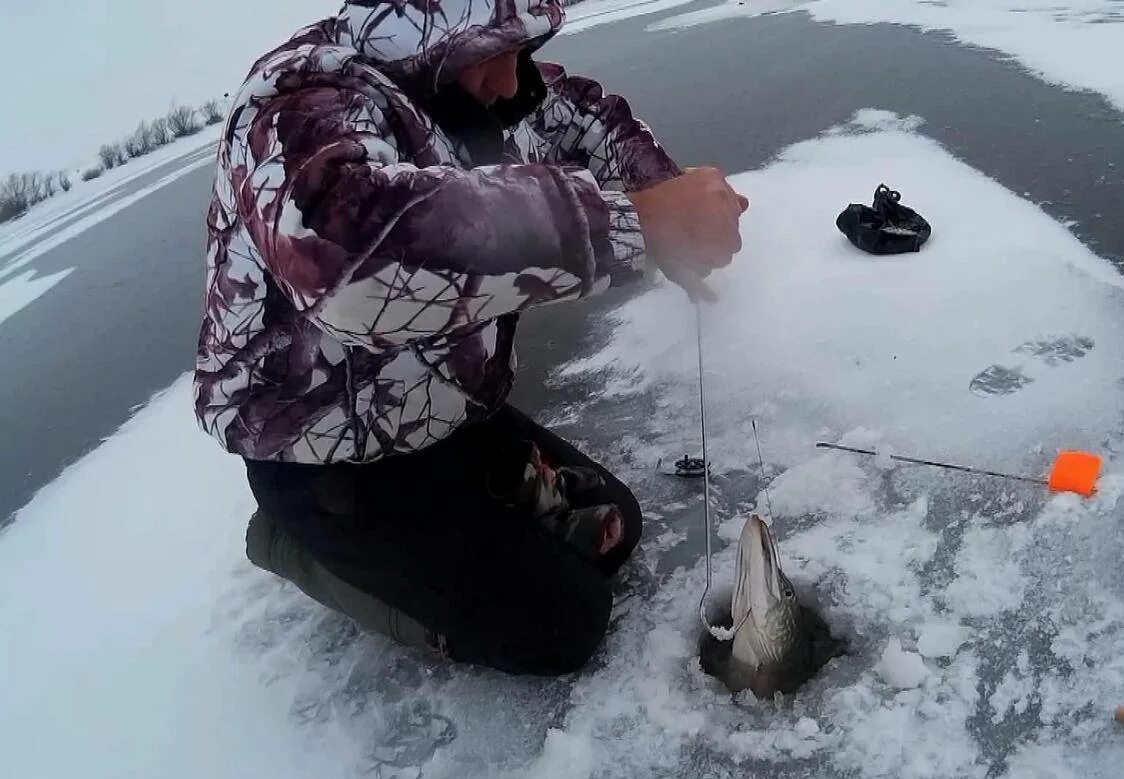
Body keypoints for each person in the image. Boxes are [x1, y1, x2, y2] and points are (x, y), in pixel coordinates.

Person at [194, 0, 746, 676]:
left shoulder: (465, 84)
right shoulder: (298, 106)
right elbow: (354, 260)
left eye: (521, 46)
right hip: (324, 460)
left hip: (443, 412)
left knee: (612, 529)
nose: (513, 81)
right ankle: (292, 543)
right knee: (562, 626)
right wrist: (634, 227)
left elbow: (579, 119)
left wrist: (669, 197)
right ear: (428, 33)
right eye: (493, 48)